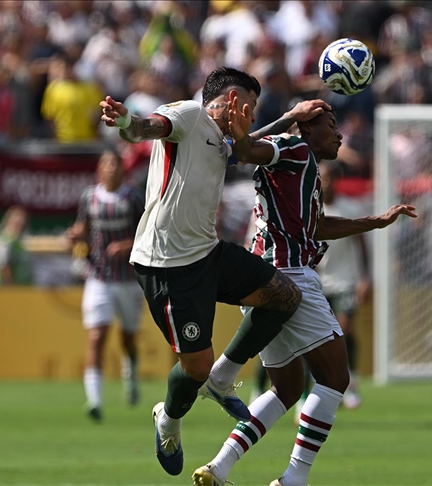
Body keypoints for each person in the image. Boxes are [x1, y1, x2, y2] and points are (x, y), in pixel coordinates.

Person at [99, 66, 330, 477]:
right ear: (229, 100)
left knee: (285, 297)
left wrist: (290, 117)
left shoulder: (223, 139)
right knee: (196, 368)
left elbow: (248, 145)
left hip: (207, 252)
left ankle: (223, 379)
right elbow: (147, 128)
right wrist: (124, 122)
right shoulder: (190, 115)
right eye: (250, 105)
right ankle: (168, 419)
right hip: (167, 264)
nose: (253, 115)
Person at [192, 103, 416, 486]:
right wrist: (286, 118)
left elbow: (318, 226)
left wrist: (376, 222)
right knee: (335, 378)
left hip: (265, 279)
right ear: (308, 128)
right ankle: (294, 477)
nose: (340, 135)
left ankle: (219, 466)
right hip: (290, 275)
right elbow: (244, 151)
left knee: (288, 388)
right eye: (331, 125)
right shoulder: (294, 148)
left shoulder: (303, 165)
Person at [66, 151, 145, 422]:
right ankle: (95, 400)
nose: (111, 168)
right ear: (99, 169)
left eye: (115, 163)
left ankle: (130, 374)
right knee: (96, 336)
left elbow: (149, 234)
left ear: (123, 169)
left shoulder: (134, 199)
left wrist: (127, 245)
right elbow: (83, 227)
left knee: (128, 338)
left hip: (129, 279)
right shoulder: (89, 197)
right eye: (106, 164)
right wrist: (75, 234)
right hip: (98, 276)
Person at [314, 160, 370, 409]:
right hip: (318, 283)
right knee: (318, 338)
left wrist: (365, 277)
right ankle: (326, 386)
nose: (324, 183)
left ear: (336, 180)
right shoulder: (310, 209)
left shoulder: (349, 207)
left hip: (345, 281)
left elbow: (362, 245)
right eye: (320, 178)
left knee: (345, 331)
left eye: (328, 178)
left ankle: (351, 383)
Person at [0, 206, 32, 287]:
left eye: (21, 221)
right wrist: (9, 286)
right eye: (16, 221)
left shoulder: (18, 242)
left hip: (22, 289)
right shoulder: (3, 240)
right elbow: (2, 265)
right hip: (5, 290)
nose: (19, 223)